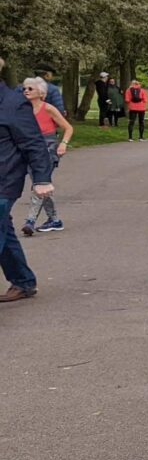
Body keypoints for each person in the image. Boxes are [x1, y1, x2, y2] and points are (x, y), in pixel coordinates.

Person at [2, 58, 54, 301]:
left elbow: (34, 143)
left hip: (3, 180)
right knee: (3, 230)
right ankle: (23, 281)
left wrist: (42, 178)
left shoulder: (13, 104)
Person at [20, 78, 71, 236]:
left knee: (40, 183)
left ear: (41, 92)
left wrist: (63, 144)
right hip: (30, 149)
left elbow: (68, 128)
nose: (26, 91)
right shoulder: (23, 110)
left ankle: (30, 221)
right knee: (42, 185)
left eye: (30, 88)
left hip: (48, 148)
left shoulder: (48, 108)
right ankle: (54, 220)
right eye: (24, 88)